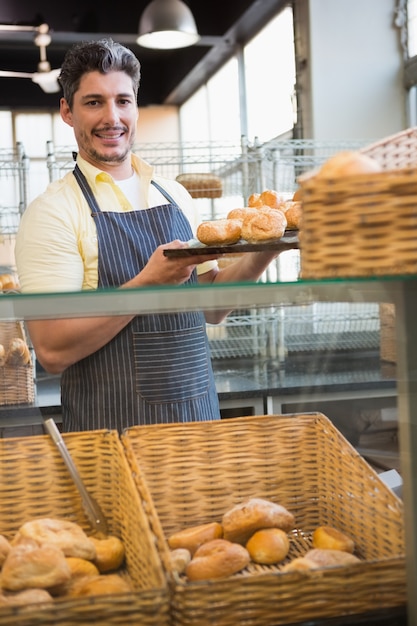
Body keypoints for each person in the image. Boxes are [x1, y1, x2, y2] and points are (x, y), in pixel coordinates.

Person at [15, 38, 280, 432]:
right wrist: (146, 284)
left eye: (123, 100)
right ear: (67, 112)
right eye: (94, 102)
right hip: (111, 440)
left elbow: (212, 307)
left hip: (197, 429)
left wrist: (266, 248)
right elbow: (52, 350)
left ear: (135, 106)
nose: (112, 117)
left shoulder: (174, 194)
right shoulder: (53, 211)